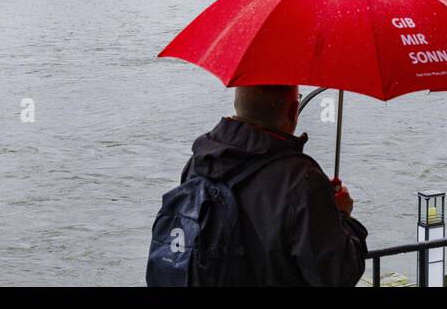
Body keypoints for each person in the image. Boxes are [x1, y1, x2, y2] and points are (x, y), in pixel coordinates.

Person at [148, 85, 368, 286]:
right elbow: (336, 276)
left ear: (237, 105)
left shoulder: (199, 161)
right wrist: (343, 218)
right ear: (293, 111)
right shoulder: (301, 180)